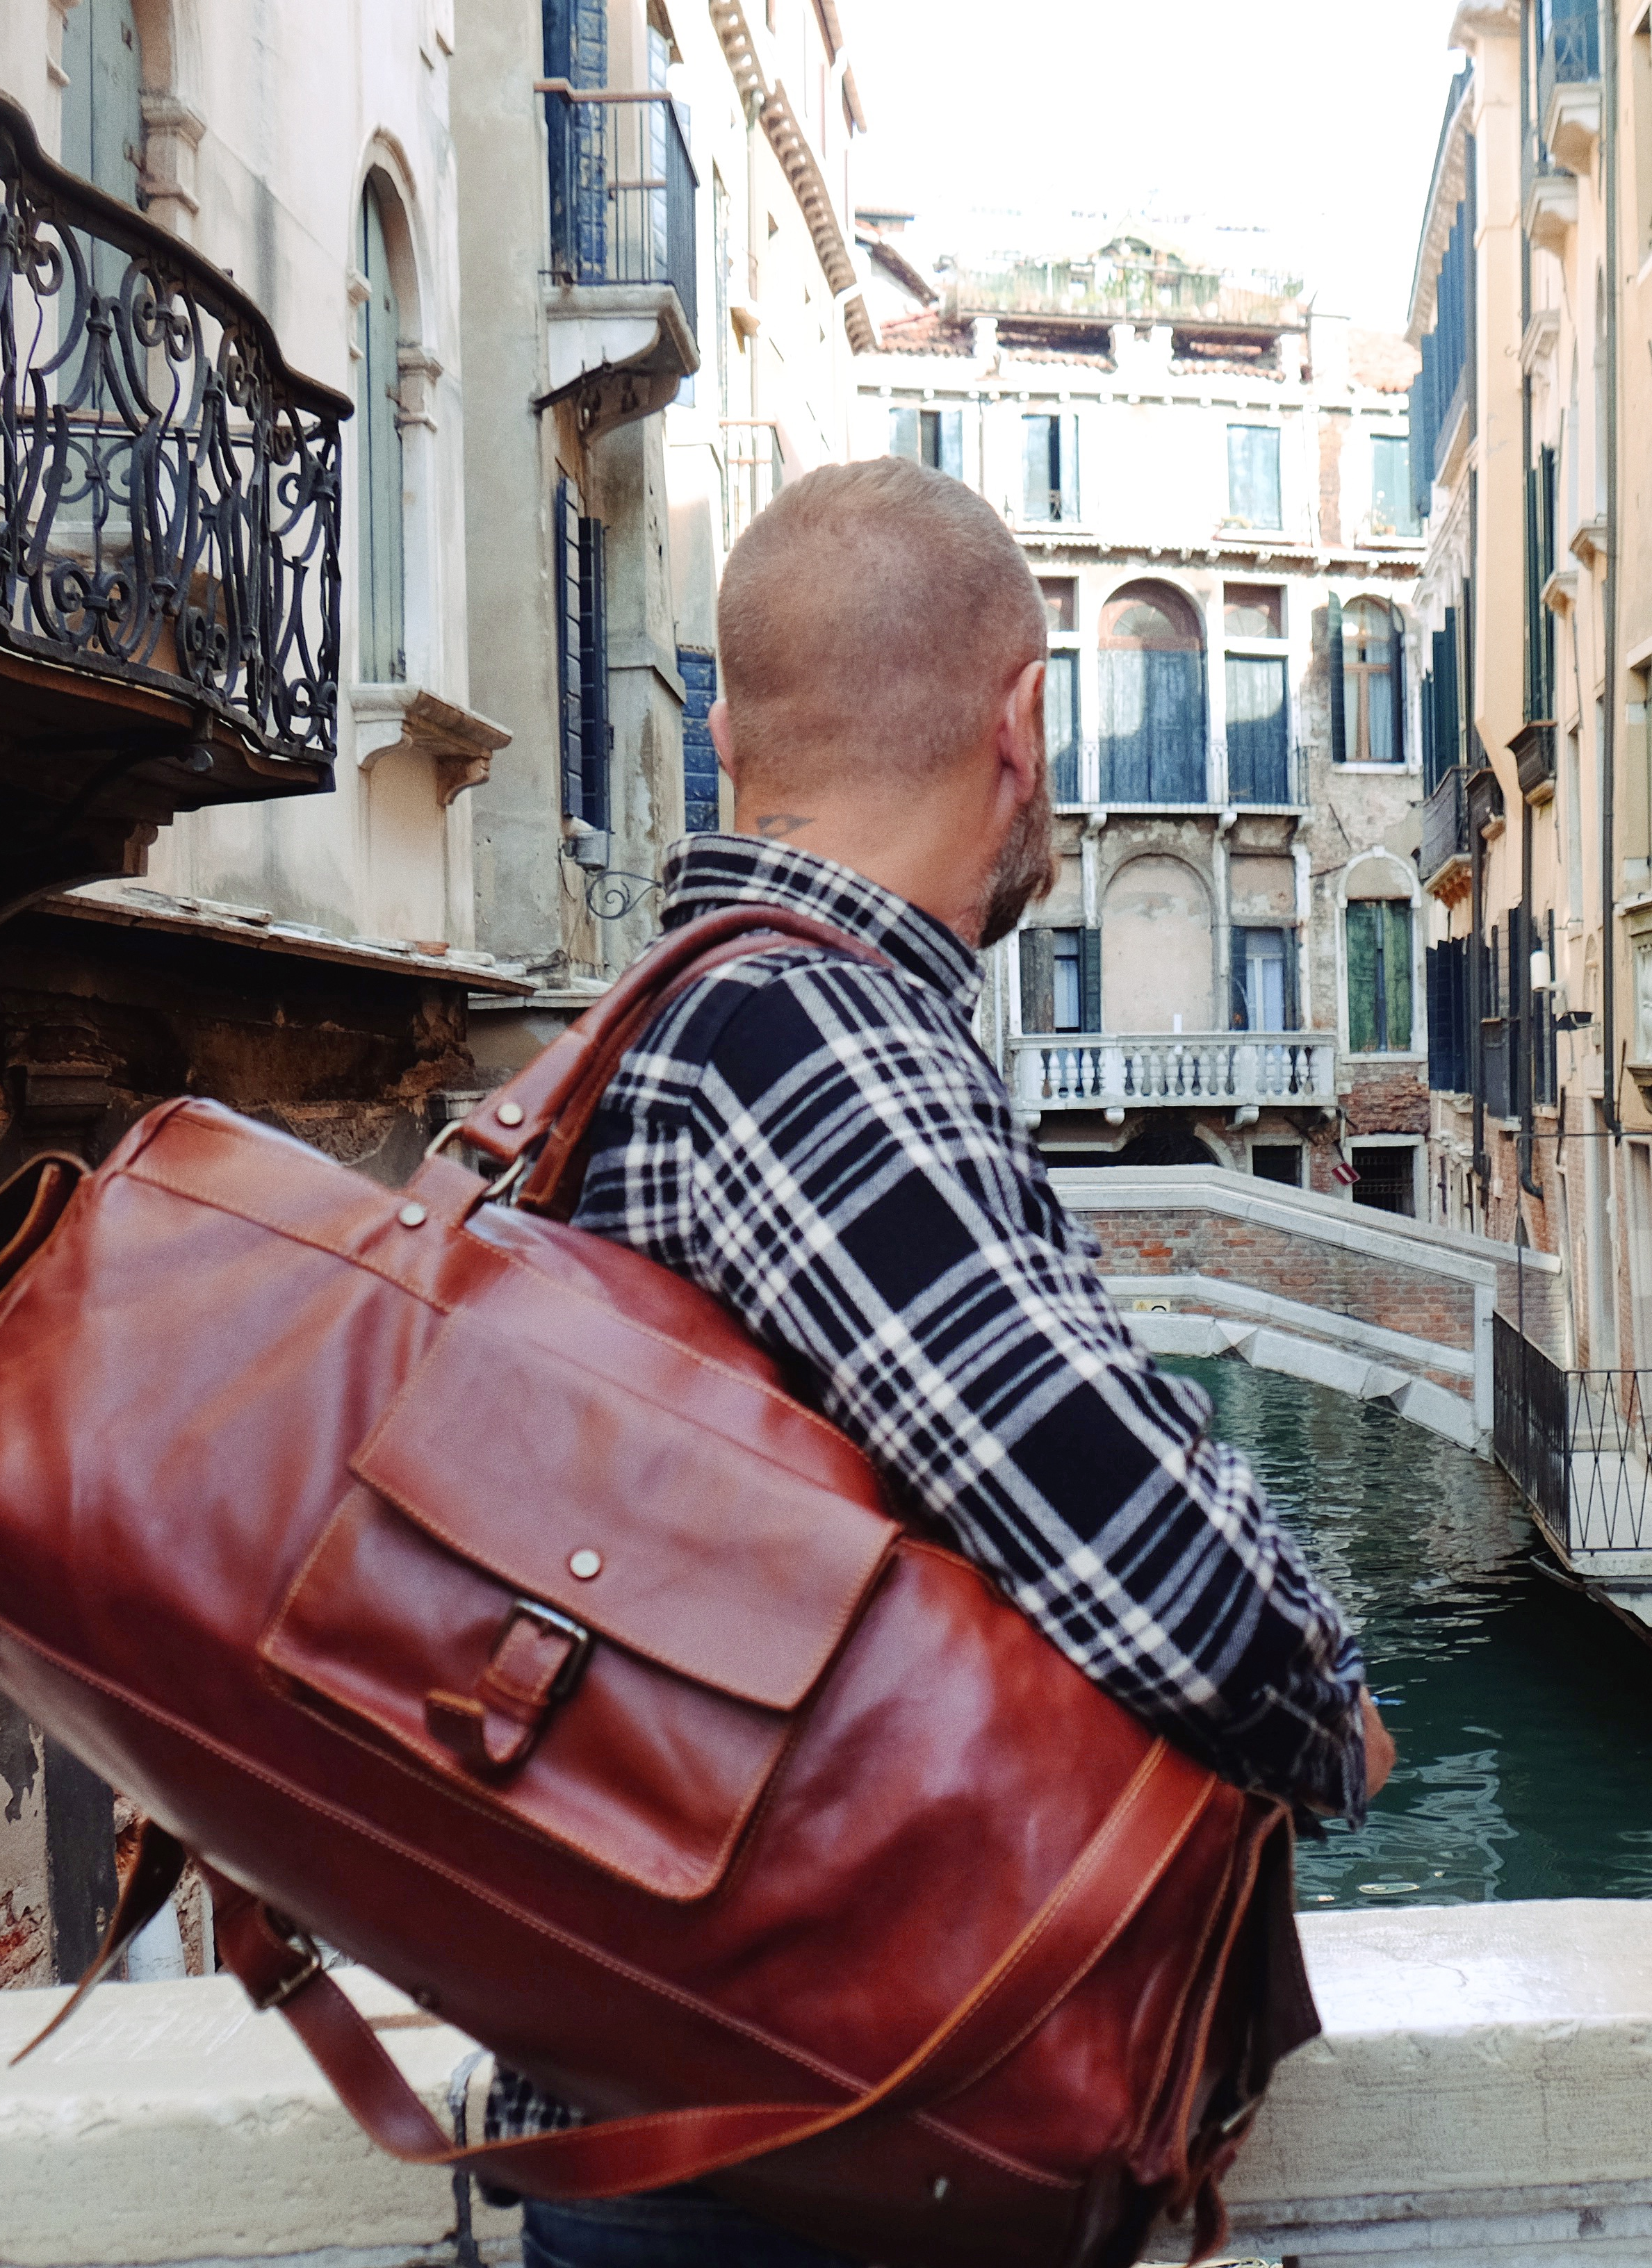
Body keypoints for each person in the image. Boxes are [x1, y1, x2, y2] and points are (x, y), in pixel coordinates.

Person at [494, 455, 1394, 2268]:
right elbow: (1177, 1589)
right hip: (804, 2157)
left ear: (728, 736)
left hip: (658, 2086)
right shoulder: (819, 1041)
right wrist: (1340, 1725)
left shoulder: (649, 1014)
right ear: (1026, 722)